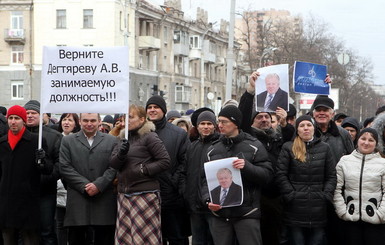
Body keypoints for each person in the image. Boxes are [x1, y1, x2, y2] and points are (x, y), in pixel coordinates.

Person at [239, 71, 295, 245]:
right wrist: (250, 91)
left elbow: (291, 143)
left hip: (276, 197)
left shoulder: (277, 137)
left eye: (267, 117)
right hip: (255, 197)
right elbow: (241, 115)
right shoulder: (248, 137)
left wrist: (285, 124)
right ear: (251, 121)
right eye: (259, 117)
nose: (264, 120)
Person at [204, 105, 273, 245]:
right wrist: (207, 200)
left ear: (235, 123)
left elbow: (267, 176)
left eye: (224, 121)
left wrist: (247, 167)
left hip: (247, 213)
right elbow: (204, 180)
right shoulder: (212, 149)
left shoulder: (254, 146)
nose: (220, 125)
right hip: (220, 214)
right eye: (219, 121)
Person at [110, 105, 170, 244]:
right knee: (125, 239)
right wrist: (121, 154)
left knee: (144, 240)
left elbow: (165, 161)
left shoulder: (149, 136)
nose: (127, 120)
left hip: (145, 195)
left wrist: (143, 170)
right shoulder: (122, 137)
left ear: (142, 119)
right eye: (125, 117)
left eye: (131, 117)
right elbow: (113, 164)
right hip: (124, 195)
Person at [276, 115, 337, 245]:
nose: (305, 128)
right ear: (297, 129)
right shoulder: (288, 147)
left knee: (317, 241)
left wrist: (325, 195)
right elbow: (281, 174)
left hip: (318, 207)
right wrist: (291, 195)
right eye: (302, 126)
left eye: (308, 125)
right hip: (294, 208)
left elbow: (331, 175)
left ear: (314, 128)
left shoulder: (325, 148)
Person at [59, 113, 118, 245]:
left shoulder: (112, 140)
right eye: (85, 120)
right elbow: (65, 167)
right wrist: (86, 185)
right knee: (76, 239)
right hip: (78, 199)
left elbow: (114, 167)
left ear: (99, 121)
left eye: (92, 120)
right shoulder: (68, 141)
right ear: (79, 121)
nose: (89, 123)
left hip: (103, 200)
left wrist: (99, 185)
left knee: (104, 239)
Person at [0, 105, 52, 245]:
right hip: (6, 203)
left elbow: (48, 169)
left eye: (17, 118)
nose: (13, 121)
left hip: (27, 202)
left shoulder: (36, 141)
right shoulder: (2, 142)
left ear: (23, 120)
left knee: (30, 240)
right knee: (8, 240)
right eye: (10, 118)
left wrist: (42, 161)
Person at [146, 95, 191, 245]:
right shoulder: (139, 133)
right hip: (146, 196)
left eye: (156, 107)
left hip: (172, 197)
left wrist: (173, 181)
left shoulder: (179, 134)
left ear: (163, 111)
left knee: (176, 237)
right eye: (149, 108)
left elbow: (185, 161)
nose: (152, 110)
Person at [310, 95, 354, 245]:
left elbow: (352, 159)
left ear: (332, 113)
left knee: (335, 234)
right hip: (311, 192)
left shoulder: (343, 134)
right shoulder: (305, 132)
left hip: (337, 192)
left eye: (325, 110)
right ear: (313, 113)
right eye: (318, 110)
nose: (321, 113)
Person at [334, 128, 385, 244]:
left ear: (376, 143)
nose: (366, 143)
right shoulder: (344, 161)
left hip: (375, 221)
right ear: (357, 140)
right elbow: (336, 188)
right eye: (363, 138)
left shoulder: (383, 163)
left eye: (371, 140)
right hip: (350, 220)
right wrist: (342, 211)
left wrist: (381, 214)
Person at [24, 99, 63, 245]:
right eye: (27, 113)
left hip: (45, 192)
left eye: (34, 113)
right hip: (23, 193)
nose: (30, 116)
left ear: (42, 115)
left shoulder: (55, 136)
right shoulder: (17, 135)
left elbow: (60, 165)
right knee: (24, 231)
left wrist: (45, 179)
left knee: (46, 231)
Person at [185, 110, 219, 245]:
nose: (206, 127)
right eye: (202, 123)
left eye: (209, 123)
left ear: (214, 126)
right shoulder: (192, 147)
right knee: (197, 241)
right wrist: (185, 192)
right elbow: (184, 171)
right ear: (197, 126)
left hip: (213, 206)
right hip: (194, 206)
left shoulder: (220, 146)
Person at [56, 113, 81, 245]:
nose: (66, 122)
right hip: (59, 188)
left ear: (76, 123)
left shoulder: (78, 141)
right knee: (60, 224)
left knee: (75, 225)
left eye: (70, 120)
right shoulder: (56, 139)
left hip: (74, 188)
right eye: (64, 119)